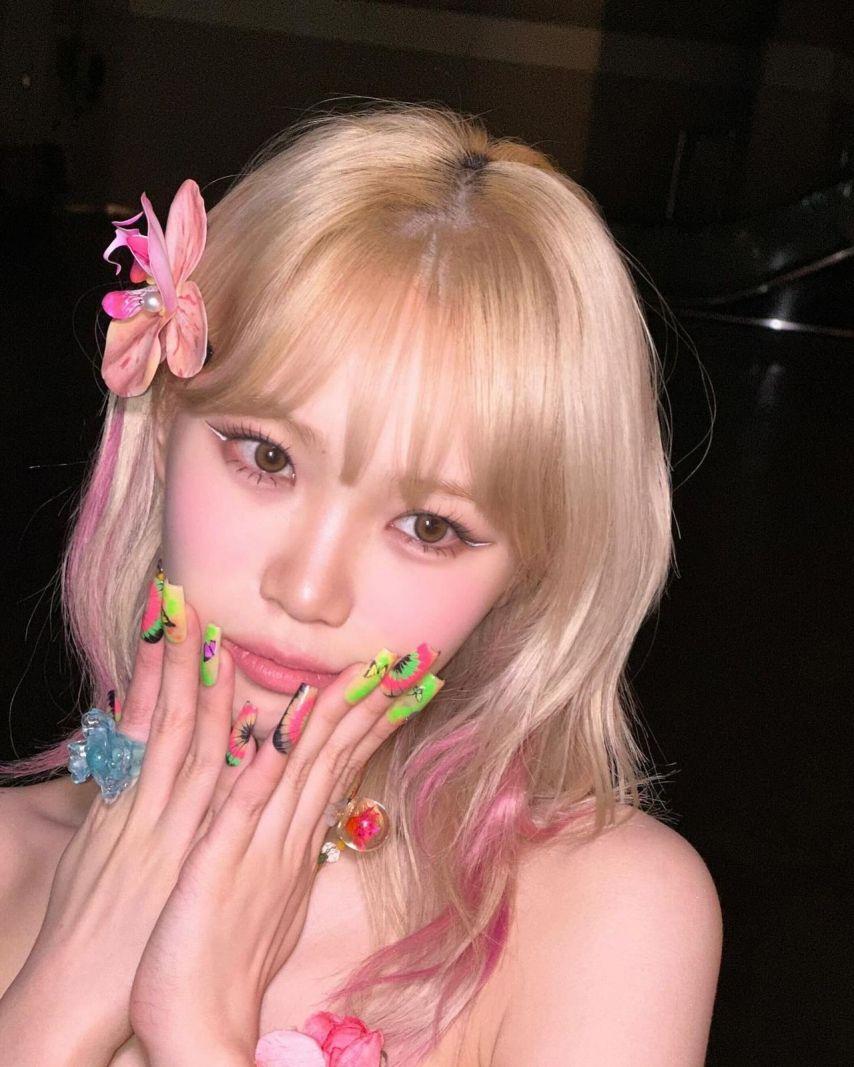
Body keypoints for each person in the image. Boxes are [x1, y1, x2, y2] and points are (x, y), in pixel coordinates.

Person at [0, 102, 721, 1066]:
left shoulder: (610, 916)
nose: (307, 588)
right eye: (266, 457)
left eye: (429, 526)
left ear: (527, 572)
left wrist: (200, 1027)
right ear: (165, 424)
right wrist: (57, 1002)